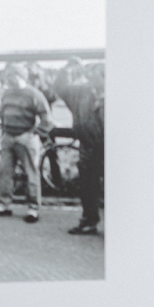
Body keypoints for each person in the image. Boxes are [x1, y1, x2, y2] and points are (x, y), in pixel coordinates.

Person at [0, 65, 51, 223]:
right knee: (5, 172)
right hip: (8, 137)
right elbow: (2, 112)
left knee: (31, 174)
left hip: (26, 137)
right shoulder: (7, 93)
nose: (8, 79)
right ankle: (4, 205)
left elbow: (47, 118)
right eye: (7, 76)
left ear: (21, 76)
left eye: (11, 76)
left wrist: (35, 133)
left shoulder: (34, 94)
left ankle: (33, 209)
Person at [56, 62, 106, 236]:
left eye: (95, 76)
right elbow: (61, 89)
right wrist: (66, 69)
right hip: (88, 146)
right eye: (89, 76)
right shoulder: (81, 93)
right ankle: (89, 221)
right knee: (88, 187)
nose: (90, 79)